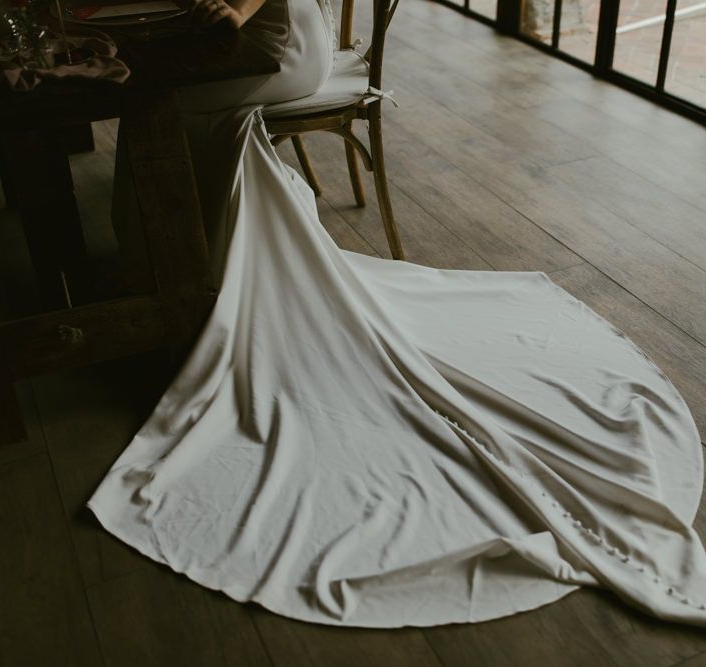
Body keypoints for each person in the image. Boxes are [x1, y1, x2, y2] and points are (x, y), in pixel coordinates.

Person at [93, 0, 706, 628]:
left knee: (154, 106)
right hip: (263, 34)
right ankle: (188, 266)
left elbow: (236, 13)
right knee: (157, 100)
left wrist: (222, 12)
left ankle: (184, 270)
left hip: (281, 47)